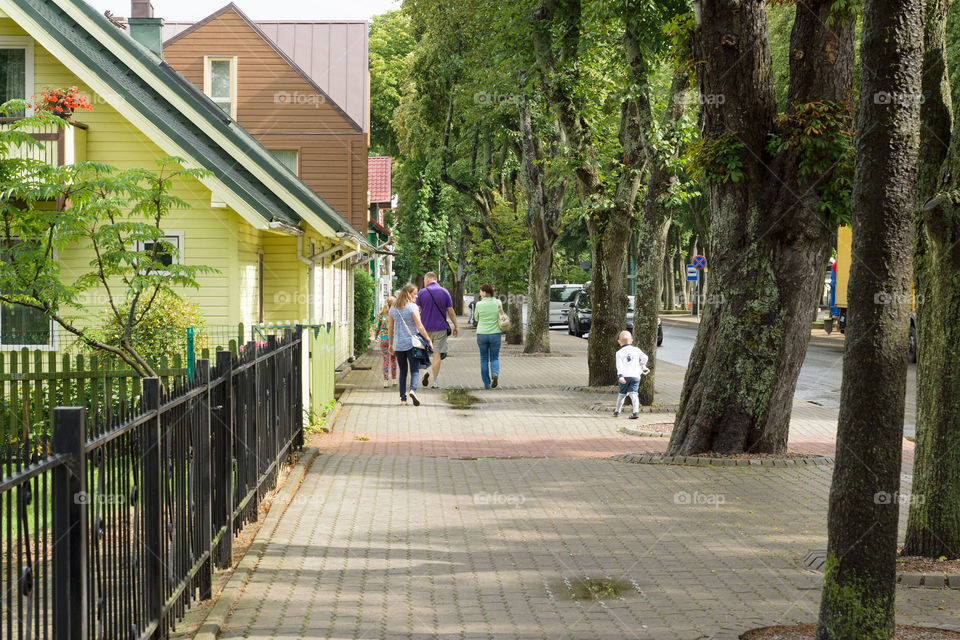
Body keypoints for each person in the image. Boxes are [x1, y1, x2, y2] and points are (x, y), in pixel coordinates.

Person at [388, 283, 434, 406]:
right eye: (415, 294)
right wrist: (428, 339)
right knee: (414, 370)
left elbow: (390, 328)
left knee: (402, 371)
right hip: (412, 344)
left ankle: (403, 399)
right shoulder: (412, 307)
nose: (416, 296)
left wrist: (390, 344)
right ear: (408, 293)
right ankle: (413, 390)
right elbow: (419, 325)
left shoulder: (393, 308)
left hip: (398, 345)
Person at [416, 272, 459, 389]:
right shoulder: (444, 292)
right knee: (437, 354)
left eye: (425, 281)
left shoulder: (421, 293)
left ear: (428, 279)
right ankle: (434, 382)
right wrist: (456, 326)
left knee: (424, 352)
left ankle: (425, 372)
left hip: (424, 329)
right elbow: (450, 310)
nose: (424, 283)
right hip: (440, 328)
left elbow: (416, 310)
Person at [473, 283, 504, 389]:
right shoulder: (498, 302)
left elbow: (476, 318)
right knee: (495, 358)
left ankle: (487, 383)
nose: (480, 293)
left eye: (481, 291)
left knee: (484, 358)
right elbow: (501, 315)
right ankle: (495, 374)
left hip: (482, 334)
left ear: (485, 293)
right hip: (495, 334)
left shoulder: (479, 304)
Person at [614, 330, 649, 419]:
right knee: (634, 394)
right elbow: (645, 357)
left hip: (624, 376)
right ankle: (635, 412)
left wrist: (620, 376)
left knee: (622, 394)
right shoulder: (636, 350)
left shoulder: (619, 353)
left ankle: (617, 411)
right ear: (632, 340)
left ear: (619, 342)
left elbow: (619, 365)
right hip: (636, 376)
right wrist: (642, 365)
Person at [374, 297, 397, 388]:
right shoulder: (395, 314)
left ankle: (385, 381)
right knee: (393, 360)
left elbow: (376, 328)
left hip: (383, 339)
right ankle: (394, 380)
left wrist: (376, 336)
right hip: (393, 339)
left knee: (385, 360)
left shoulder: (381, 315)